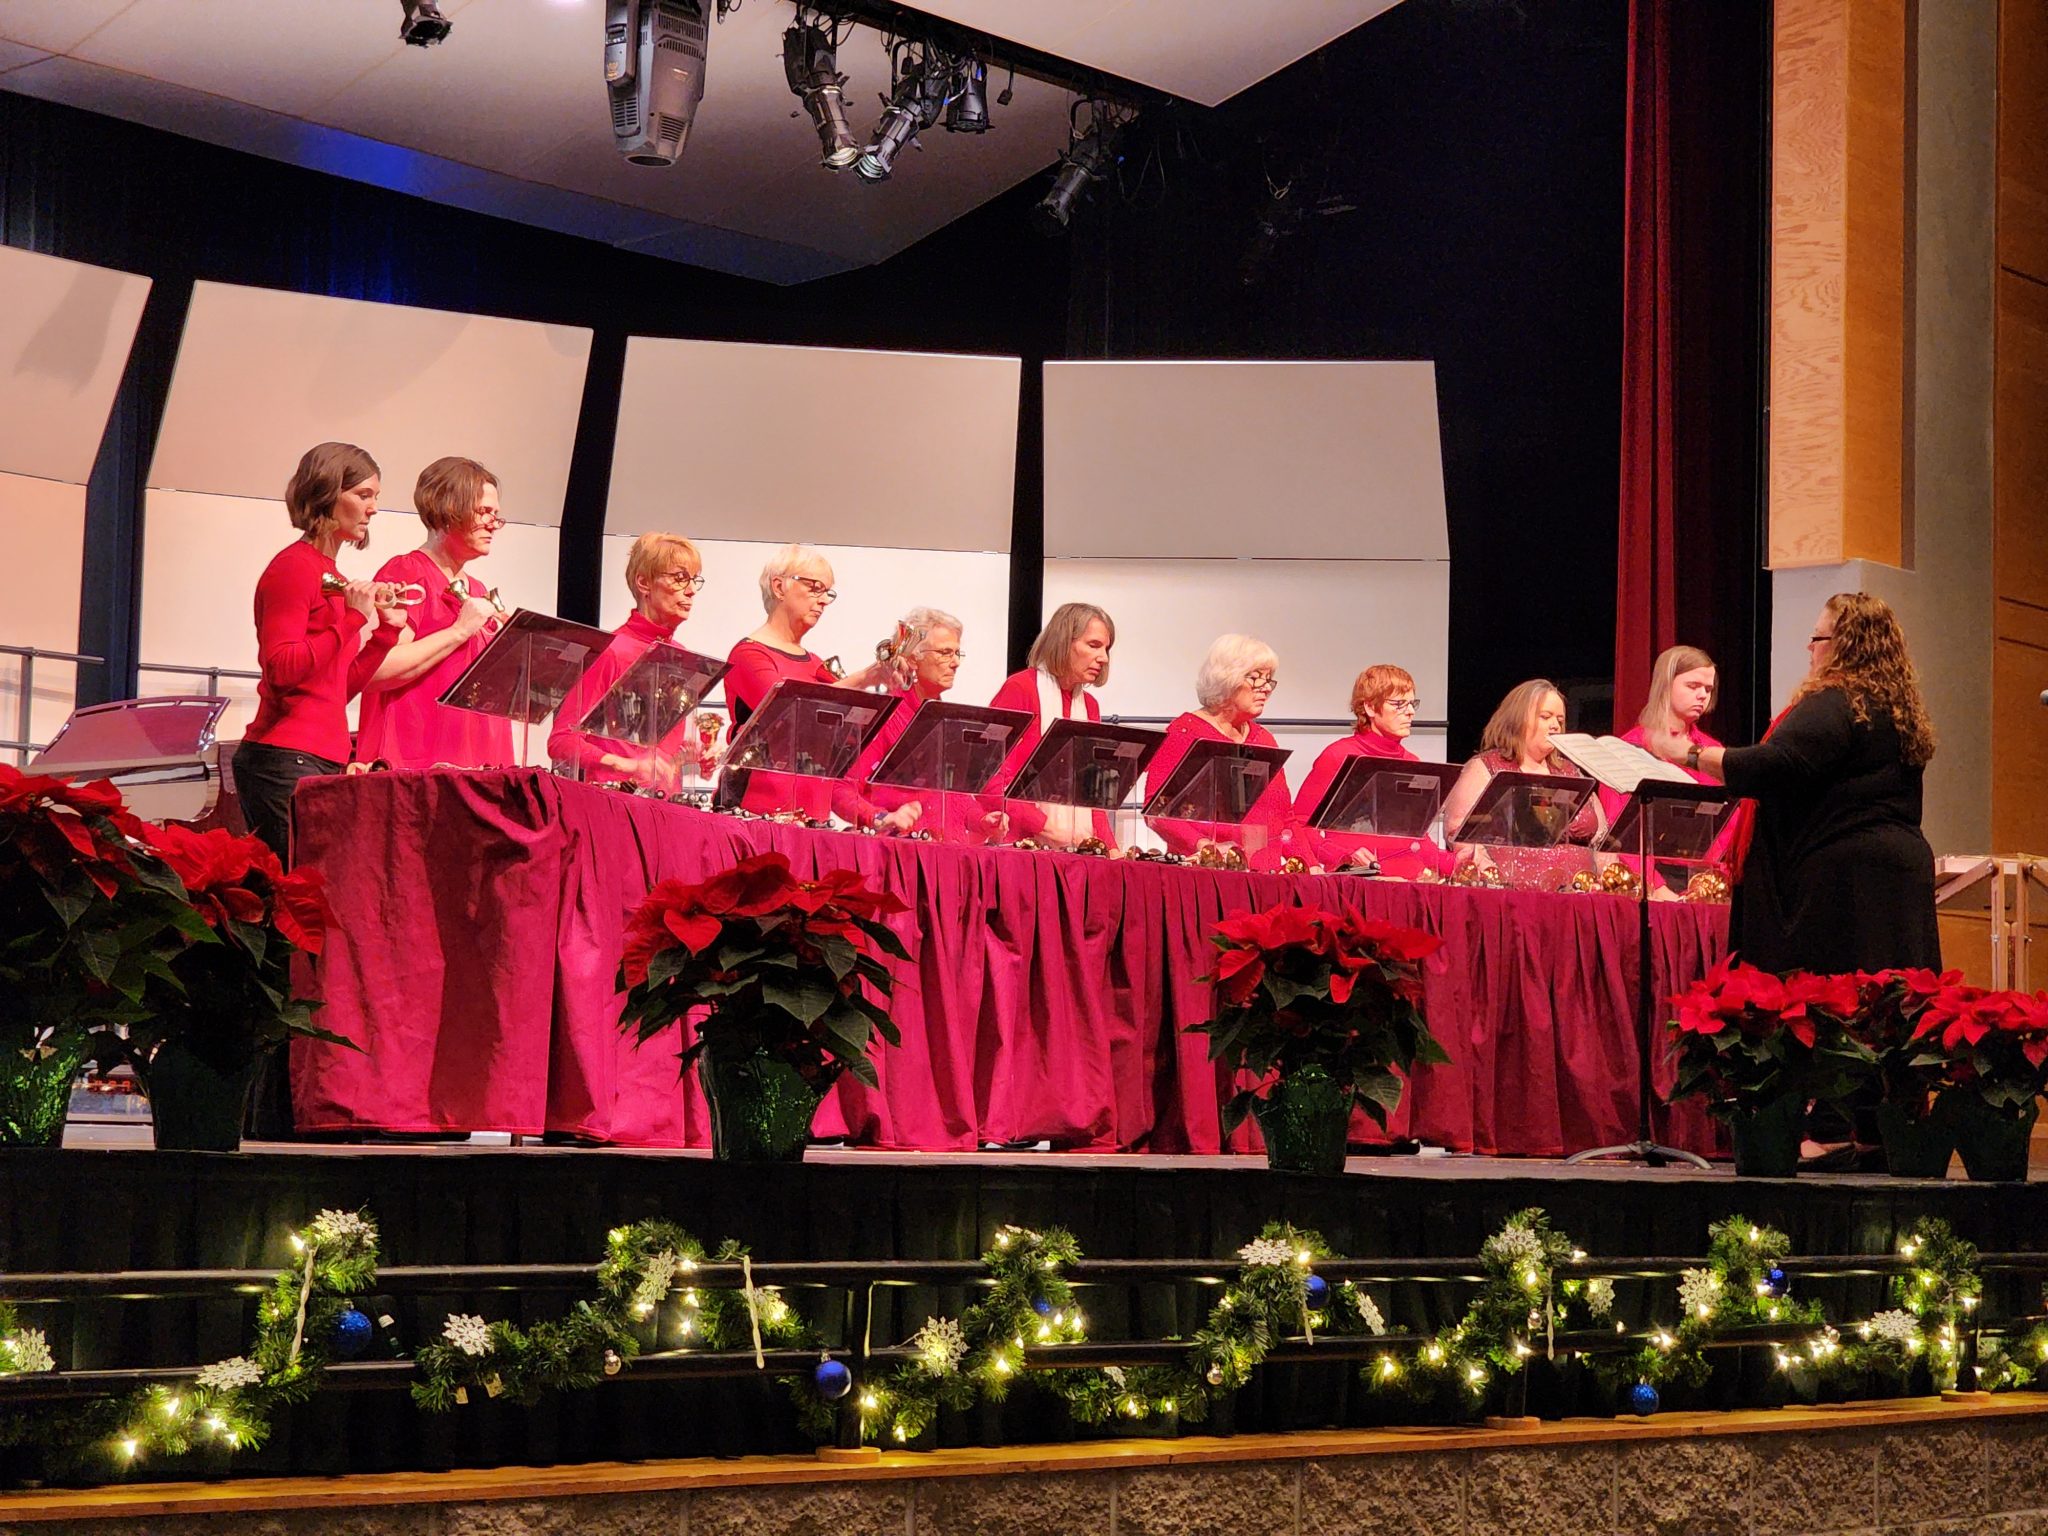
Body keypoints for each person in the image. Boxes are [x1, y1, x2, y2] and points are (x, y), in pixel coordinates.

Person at [1643, 593, 1940, 976]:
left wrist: (1689, 753)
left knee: (1835, 1012)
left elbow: (1774, 765)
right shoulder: (1895, 709)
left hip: (1848, 886)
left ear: (1842, 646)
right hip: (1897, 876)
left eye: (1817, 639)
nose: (1809, 648)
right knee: (1891, 1011)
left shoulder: (1837, 701)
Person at [233, 442, 407, 863]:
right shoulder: (295, 567)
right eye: (363, 495)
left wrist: (384, 634)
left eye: (375, 498)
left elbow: (334, 687)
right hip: (283, 758)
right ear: (329, 494)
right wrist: (350, 619)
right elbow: (281, 668)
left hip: (318, 758)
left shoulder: (333, 577)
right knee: (300, 902)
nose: (373, 509)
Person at [722, 545, 910, 826]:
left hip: (813, 816)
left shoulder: (815, 663)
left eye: (828, 593)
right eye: (815, 588)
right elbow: (790, 713)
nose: (823, 600)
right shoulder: (749, 655)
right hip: (757, 814)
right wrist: (865, 678)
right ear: (779, 586)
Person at [349, 456, 513, 770]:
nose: (494, 524)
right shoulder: (407, 573)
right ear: (449, 509)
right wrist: (459, 631)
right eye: (484, 512)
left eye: (497, 515)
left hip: (475, 763)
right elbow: (374, 672)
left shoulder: (478, 589)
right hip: (418, 762)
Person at [546, 532, 706, 785]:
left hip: (664, 808)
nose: (691, 590)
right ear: (644, 583)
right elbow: (561, 741)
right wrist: (627, 765)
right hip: (613, 806)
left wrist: (693, 756)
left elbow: (659, 755)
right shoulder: (611, 650)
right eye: (679, 578)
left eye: (694, 580)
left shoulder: (681, 657)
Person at [837, 608, 1007, 842]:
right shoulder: (887, 715)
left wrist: (981, 820)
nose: (956, 662)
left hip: (947, 854)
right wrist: (880, 818)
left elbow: (948, 798)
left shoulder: (946, 718)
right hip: (900, 852)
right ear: (913, 658)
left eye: (957, 653)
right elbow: (841, 790)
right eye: (945, 652)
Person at [1141, 635, 1308, 870]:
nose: (1266, 689)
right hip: (1207, 875)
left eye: (1269, 680)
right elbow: (1156, 811)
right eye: (1256, 678)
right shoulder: (1185, 732)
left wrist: (1311, 864)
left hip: (1265, 876)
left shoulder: (1265, 739)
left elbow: (1284, 816)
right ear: (1227, 678)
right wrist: (1204, 847)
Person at [1440, 678, 1607, 878]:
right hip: (1508, 894)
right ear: (1518, 720)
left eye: (1560, 721)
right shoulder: (1487, 767)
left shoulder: (1570, 771)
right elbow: (1458, 834)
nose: (1555, 725)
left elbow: (1604, 840)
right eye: (1545, 717)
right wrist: (1489, 874)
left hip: (1580, 894)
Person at [1291, 663, 1445, 879]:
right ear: (1370, 708)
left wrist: (1457, 862)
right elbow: (1300, 824)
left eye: (1412, 703)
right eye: (1399, 704)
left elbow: (1416, 840)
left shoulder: (1412, 762)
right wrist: (1342, 857)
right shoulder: (1339, 755)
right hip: (1359, 884)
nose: (1410, 712)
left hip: (1410, 885)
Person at [986, 602, 1117, 848]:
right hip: (1023, 847)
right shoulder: (1020, 689)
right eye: (1094, 645)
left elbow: (1091, 794)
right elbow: (989, 774)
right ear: (1064, 642)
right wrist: (1043, 826)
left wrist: (1110, 847)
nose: (1104, 658)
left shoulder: (1090, 706)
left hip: (1078, 849)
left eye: (1106, 648)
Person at [1598, 644, 1722, 828]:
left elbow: (1727, 820)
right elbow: (1617, 823)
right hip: (1640, 854)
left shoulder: (1713, 751)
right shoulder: (1627, 749)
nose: (1703, 695)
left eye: (1708, 689)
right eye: (1693, 686)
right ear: (1665, 685)